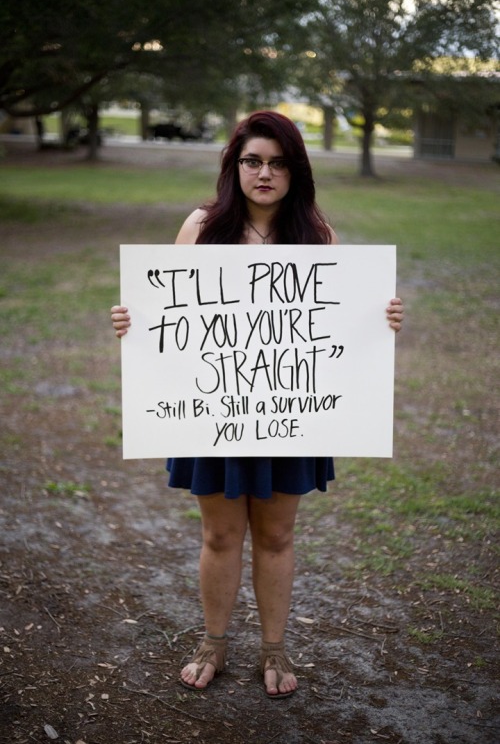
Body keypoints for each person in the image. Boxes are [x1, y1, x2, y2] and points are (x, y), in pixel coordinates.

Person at [111, 110, 404, 698]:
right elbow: (171, 316)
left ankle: (275, 648)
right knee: (219, 537)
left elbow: (336, 331)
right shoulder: (200, 226)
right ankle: (213, 643)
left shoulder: (318, 234)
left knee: (276, 537)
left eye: (277, 161)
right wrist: (131, 323)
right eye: (252, 161)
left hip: (288, 411)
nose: (264, 172)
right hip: (215, 408)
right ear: (234, 166)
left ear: (295, 169)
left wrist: (381, 319)